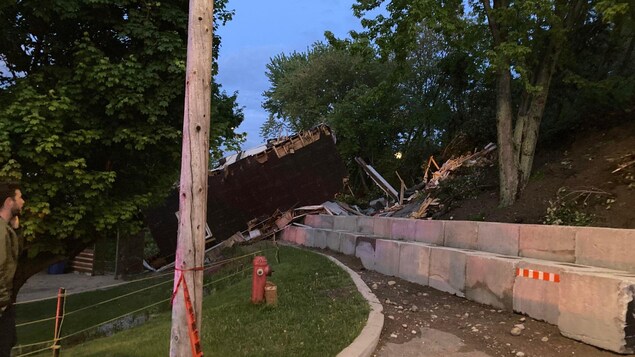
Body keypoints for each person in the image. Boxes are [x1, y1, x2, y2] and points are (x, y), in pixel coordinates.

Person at [0, 182, 25, 357]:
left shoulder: (7, 230)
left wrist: (17, 229)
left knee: (8, 341)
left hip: (4, 304)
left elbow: (16, 257)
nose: (23, 202)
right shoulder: (1, 232)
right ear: (9, 202)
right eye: (19, 197)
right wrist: (3, 303)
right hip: (1, 305)